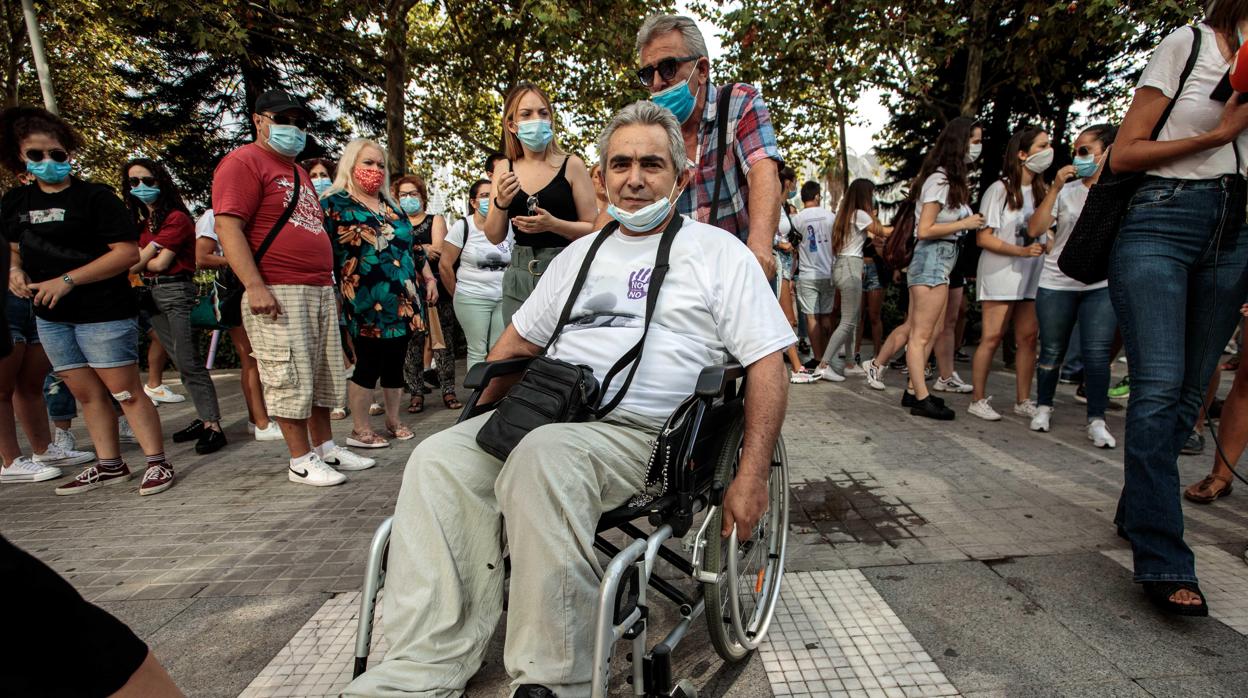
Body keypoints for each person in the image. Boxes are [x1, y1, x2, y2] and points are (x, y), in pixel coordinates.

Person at [344, 99, 792, 698]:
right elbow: (516, 342)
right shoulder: (579, 255)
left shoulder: (718, 254)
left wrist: (753, 474)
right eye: (621, 163)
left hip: (646, 435)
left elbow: (767, 363)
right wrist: (476, 422)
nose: (635, 178)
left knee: (544, 458)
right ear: (601, 177)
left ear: (680, 178)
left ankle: (560, 679)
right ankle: (423, 662)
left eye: (652, 164)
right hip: (551, 412)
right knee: (439, 459)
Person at [1107, 4, 1248, 615]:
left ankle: (1139, 508)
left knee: (1191, 394)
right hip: (1162, 218)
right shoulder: (1189, 43)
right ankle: (1164, 560)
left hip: (1236, 232)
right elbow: (1123, 154)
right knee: (1160, 388)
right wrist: (1217, 135)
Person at [0, 105, 174, 496]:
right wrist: (14, 271)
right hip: (50, 315)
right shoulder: (15, 203)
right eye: (37, 155)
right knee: (83, 393)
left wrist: (67, 280)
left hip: (103, 310)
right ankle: (109, 464)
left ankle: (157, 462)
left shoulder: (95, 197)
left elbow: (127, 253)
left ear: (69, 153)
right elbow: (13, 247)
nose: (49, 162)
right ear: (20, 158)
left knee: (124, 390)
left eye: (57, 154)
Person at [212, 89, 374, 487]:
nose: (293, 129)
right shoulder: (243, 163)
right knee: (288, 374)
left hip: (316, 287)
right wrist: (255, 285)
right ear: (259, 120)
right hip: (277, 288)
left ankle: (324, 449)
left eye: (300, 122)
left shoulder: (298, 171)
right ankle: (300, 459)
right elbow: (227, 226)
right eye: (283, 120)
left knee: (319, 373)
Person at [635, 13, 782, 278]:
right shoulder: (652, 132)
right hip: (679, 280)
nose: (657, 83)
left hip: (738, 273)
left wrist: (759, 249)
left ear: (701, 70)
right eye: (647, 74)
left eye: (668, 67)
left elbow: (763, 171)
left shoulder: (738, 103)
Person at [323, 139, 427, 449]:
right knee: (368, 361)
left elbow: (410, 247)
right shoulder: (334, 203)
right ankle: (360, 428)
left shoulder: (391, 206)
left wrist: (428, 277)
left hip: (403, 296)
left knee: (396, 360)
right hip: (365, 297)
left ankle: (393, 420)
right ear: (351, 165)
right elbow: (322, 253)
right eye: (368, 163)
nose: (375, 170)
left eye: (380, 165)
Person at [123, 157, 227, 454]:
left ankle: (213, 425)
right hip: (150, 293)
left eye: (148, 181)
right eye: (134, 182)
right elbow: (144, 261)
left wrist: (139, 261)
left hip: (175, 290)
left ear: (161, 182)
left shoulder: (177, 218)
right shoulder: (143, 223)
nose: (141, 187)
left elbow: (158, 262)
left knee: (189, 360)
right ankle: (203, 416)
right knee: (178, 360)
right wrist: (143, 261)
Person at [1027, 124, 1119, 448]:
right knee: (1051, 350)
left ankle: (1096, 420)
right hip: (1057, 281)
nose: (1078, 157)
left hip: (1100, 283)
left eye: (1085, 150)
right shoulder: (1066, 191)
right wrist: (1053, 188)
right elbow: (1035, 228)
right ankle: (1043, 406)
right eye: (1076, 151)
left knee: (1096, 355)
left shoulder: (1118, 191)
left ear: (1106, 151)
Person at [890, 116, 986, 420]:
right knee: (920, 334)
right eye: (974, 140)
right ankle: (921, 397)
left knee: (931, 331)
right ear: (959, 143)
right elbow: (925, 229)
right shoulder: (939, 180)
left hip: (942, 260)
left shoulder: (948, 181)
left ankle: (914, 389)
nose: (978, 147)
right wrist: (966, 223)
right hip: (931, 258)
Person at [485, 82, 596, 326]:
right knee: (517, 360)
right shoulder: (505, 168)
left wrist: (554, 225)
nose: (537, 119)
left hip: (565, 272)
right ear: (512, 125)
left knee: (562, 357)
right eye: (527, 114)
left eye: (543, 113)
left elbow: (595, 228)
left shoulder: (572, 164)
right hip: (519, 278)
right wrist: (501, 203)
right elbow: (494, 236)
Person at [967, 127, 1051, 421]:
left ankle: (1023, 399)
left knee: (1028, 338)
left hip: (1032, 275)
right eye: (1042, 146)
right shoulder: (999, 190)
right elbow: (984, 238)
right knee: (992, 336)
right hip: (1001, 272)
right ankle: (977, 399)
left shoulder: (1044, 191)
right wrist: (1020, 252)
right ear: (1022, 154)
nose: (1048, 151)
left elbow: (1045, 234)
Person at [193, 208, 280, 441]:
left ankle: (256, 419)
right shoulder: (212, 216)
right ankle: (262, 423)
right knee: (250, 359)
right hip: (236, 292)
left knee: (264, 358)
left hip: (266, 287)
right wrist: (241, 260)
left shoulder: (259, 212)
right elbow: (202, 257)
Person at [0, 285, 95, 483]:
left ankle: (43, 449)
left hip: (33, 296)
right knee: (2, 390)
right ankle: (11, 462)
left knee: (31, 385)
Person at [394, 174, 461, 412]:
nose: (409, 198)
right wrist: (423, 248)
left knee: (443, 342)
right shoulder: (395, 223)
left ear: (422, 197)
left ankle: (448, 391)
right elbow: (398, 252)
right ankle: (416, 393)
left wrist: (413, 249)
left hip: (437, 289)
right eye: (403, 195)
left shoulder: (435, 220)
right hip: (408, 293)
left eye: (413, 194)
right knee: (412, 345)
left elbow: (438, 250)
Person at [816, 178, 889, 380]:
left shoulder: (848, 214)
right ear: (865, 195)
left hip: (845, 266)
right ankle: (823, 365)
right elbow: (884, 232)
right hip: (850, 267)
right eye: (871, 194)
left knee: (853, 319)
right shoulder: (860, 214)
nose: (873, 198)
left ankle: (849, 363)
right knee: (848, 321)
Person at [440, 178, 514, 370]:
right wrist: (458, 294)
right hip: (472, 298)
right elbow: (445, 265)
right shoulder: (463, 227)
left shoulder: (509, 227)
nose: (489, 200)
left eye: (493, 195)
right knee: (477, 351)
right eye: (484, 196)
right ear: (473, 202)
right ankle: (477, 398)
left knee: (499, 350)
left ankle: (493, 397)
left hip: (502, 298)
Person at [791, 181, 836, 370]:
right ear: (817, 196)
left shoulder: (797, 219)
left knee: (812, 318)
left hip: (807, 274)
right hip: (829, 273)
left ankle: (817, 358)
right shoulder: (831, 217)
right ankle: (827, 358)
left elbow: (794, 249)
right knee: (827, 317)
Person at [776, 167, 813, 383]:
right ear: (788, 182)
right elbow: (763, 232)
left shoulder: (783, 206)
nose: (795, 187)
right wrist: (782, 243)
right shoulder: (773, 202)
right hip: (778, 264)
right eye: (795, 182)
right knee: (788, 319)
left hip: (786, 268)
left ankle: (796, 367)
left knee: (786, 319)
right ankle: (796, 367)